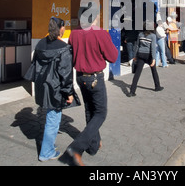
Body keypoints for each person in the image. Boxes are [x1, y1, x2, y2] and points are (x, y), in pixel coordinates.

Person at [66, 10, 118, 166]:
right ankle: (76, 148)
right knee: (101, 113)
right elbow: (113, 57)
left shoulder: (74, 34)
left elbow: (71, 54)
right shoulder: (100, 33)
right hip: (95, 78)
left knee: (90, 110)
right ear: (95, 17)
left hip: (80, 77)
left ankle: (93, 146)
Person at [27, 17, 77, 162]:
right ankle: (46, 152)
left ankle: (48, 144)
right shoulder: (64, 47)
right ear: (61, 29)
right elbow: (66, 73)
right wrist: (69, 92)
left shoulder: (40, 44)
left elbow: (35, 64)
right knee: (53, 119)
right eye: (64, 27)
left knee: (50, 117)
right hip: (56, 89)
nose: (65, 29)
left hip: (42, 87)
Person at [128, 22, 163, 97]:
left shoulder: (140, 35)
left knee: (137, 74)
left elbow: (137, 46)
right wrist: (153, 59)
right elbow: (153, 48)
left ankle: (132, 91)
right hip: (148, 55)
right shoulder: (153, 36)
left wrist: (135, 56)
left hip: (140, 54)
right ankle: (157, 86)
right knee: (154, 71)